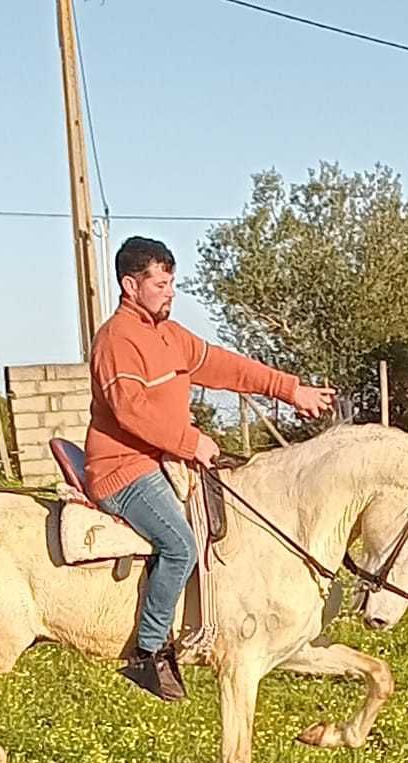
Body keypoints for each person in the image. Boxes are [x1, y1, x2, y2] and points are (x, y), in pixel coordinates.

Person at [85, 236, 335, 701]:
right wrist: (190, 441)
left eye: (171, 282)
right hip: (123, 467)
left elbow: (224, 366)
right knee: (179, 544)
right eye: (159, 283)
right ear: (129, 285)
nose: (170, 292)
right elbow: (130, 411)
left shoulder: (169, 335)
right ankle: (150, 651)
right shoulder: (117, 340)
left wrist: (291, 390)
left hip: (163, 458)